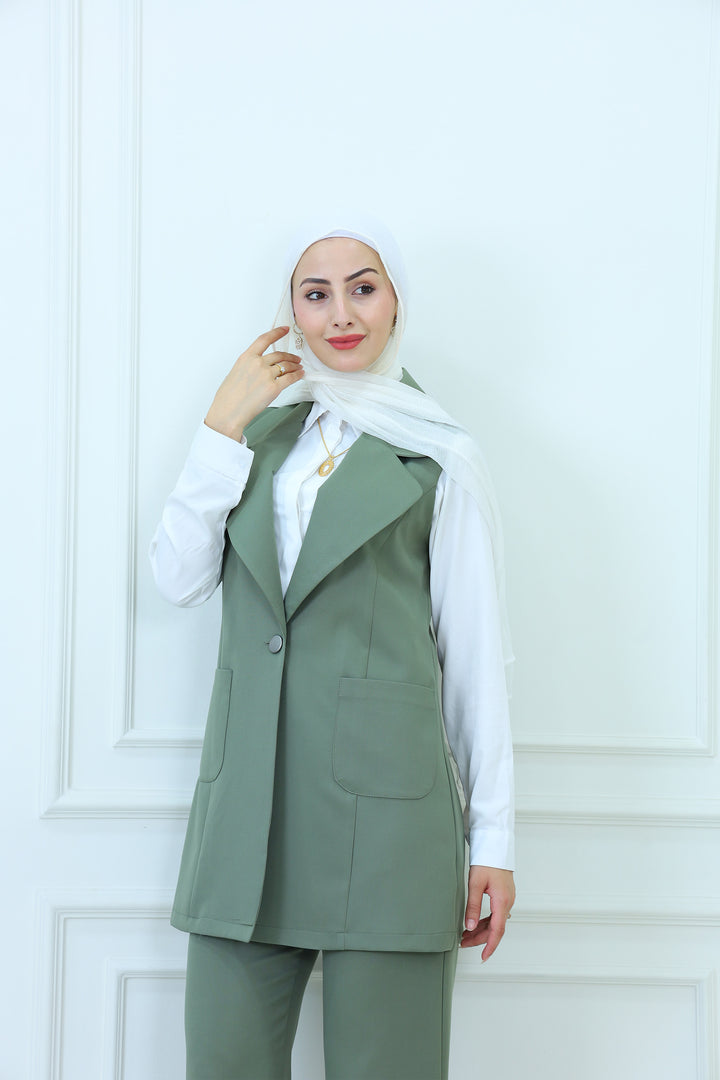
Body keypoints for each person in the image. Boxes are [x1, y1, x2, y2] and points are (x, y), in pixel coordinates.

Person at [149, 214, 516, 1080]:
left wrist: (494, 840)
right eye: (316, 294)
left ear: (396, 302)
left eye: (363, 288)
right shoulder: (255, 439)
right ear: (292, 311)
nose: (341, 313)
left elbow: (475, 658)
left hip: (386, 825)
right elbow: (177, 578)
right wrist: (220, 425)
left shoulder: (439, 453)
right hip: (246, 818)